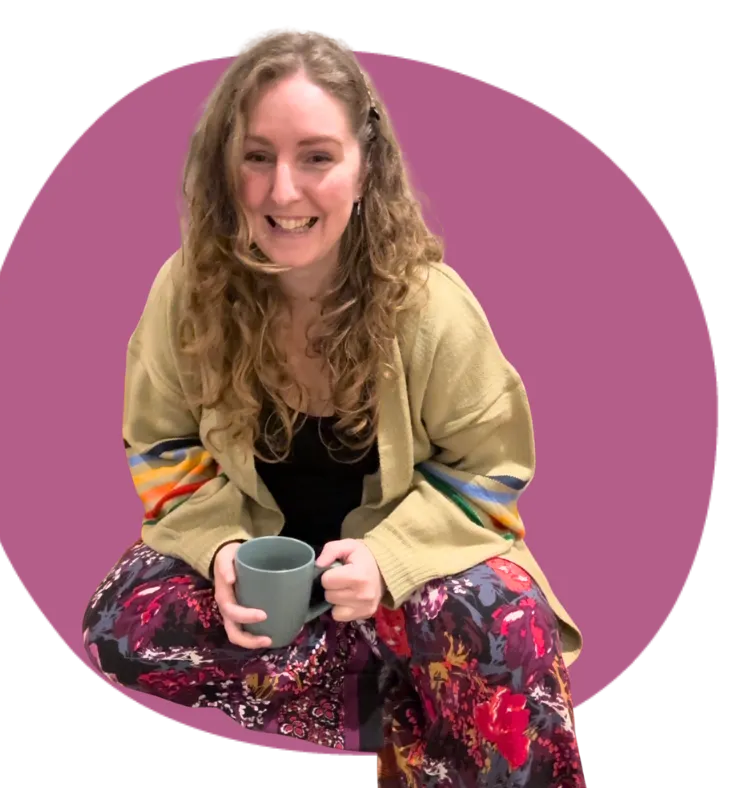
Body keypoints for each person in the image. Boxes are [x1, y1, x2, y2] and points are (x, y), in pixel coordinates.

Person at [82, 26, 586, 787]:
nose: (283, 192)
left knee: (505, 624)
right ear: (225, 166)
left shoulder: (431, 307)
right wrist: (220, 549)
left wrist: (388, 563)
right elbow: (161, 447)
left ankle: (435, 678)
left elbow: (491, 469)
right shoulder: (185, 292)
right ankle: (413, 698)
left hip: (408, 577)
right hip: (272, 582)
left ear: (364, 166)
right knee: (123, 619)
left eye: (316, 157)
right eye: (257, 157)